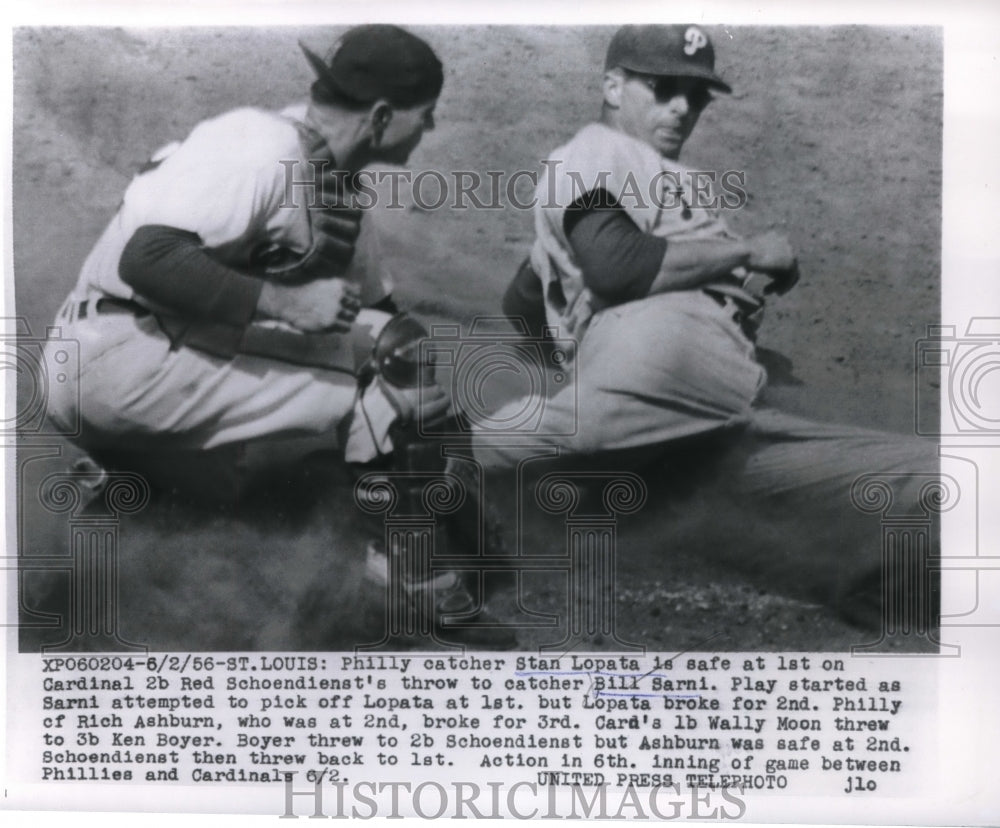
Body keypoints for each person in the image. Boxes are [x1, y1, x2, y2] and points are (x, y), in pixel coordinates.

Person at [44, 25, 513, 648]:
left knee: (372, 394)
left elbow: (380, 308)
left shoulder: (330, 180)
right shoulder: (258, 144)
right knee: (393, 365)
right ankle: (418, 581)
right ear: (380, 116)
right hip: (120, 355)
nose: (428, 131)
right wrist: (285, 302)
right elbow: (147, 258)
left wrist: (448, 454)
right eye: (425, 117)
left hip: (149, 363)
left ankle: (130, 507)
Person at [486, 24, 939, 633]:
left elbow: (525, 300)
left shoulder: (659, 179)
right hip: (650, 366)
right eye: (664, 87)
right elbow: (617, 267)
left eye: (696, 95)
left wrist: (567, 345)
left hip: (705, 413)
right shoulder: (599, 149)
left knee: (934, 473)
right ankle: (414, 469)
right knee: (518, 449)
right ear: (613, 87)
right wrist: (747, 252)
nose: (683, 106)